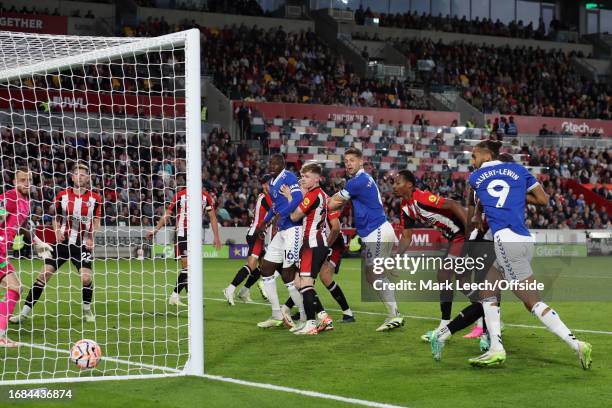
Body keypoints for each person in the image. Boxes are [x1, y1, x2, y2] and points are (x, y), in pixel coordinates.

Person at [453, 140, 591, 368]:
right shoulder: (519, 170)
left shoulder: (475, 178)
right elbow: (543, 200)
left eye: (475, 157)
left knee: (531, 302)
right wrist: (516, 196)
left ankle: (577, 345)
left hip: (506, 241)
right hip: (524, 239)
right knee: (488, 289)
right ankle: (496, 348)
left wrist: (478, 217)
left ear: (486, 157)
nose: (473, 162)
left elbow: (477, 213)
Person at [13, 163, 102, 324]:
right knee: (44, 274)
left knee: (86, 279)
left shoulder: (95, 198)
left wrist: (91, 237)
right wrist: (57, 231)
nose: (80, 177)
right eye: (77, 174)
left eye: (83, 174)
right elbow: (55, 217)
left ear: (88, 178)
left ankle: (87, 309)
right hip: (61, 244)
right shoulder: (62, 195)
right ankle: (24, 313)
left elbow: (96, 222)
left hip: (81, 244)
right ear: (72, 177)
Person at [328, 147, 404, 331]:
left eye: (352, 160)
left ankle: (395, 315)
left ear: (361, 162)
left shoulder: (357, 182)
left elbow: (332, 203)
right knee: (373, 275)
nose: (348, 164)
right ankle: (394, 313)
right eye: (346, 161)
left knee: (374, 274)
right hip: (377, 230)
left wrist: (317, 202)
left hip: (376, 230)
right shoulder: (363, 179)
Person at [391, 170, 468, 342]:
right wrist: (395, 257)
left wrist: (471, 232)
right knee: (463, 283)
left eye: (397, 183)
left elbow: (454, 205)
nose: (394, 186)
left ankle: (446, 325)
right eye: (393, 183)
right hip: (454, 238)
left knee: (443, 273)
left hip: (462, 235)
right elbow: (406, 236)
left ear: (409, 184)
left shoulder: (422, 198)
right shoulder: (405, 208)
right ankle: (486, 318)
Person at [145, 177, 222, 306]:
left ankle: (188, 298)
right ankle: (176, 296)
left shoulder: (205, 197)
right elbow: (167, 213)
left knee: (189, 269)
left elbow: (212, 216)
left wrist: (216, 236)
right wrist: (156, 230)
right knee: (188, 267)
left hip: (196, 236)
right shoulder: (180, 195)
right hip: (183, 233)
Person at [0, 168, 51, 346]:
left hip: (2, 252)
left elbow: (22, 225)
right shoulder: (10, 197)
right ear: (14, 182)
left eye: (29, 180)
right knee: (15, 288)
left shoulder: (26, 201)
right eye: (22, 180)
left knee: (16, 288)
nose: (27, 183)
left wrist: (37, 242)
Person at [280, 163, 332, 335]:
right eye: (302, 176)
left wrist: (289, 198)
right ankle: (323, 317)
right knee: (300, 282)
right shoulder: (323, 195)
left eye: (307, 176)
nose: (303, 179)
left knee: (305, 284)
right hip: (319, 242)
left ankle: (310, 323)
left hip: (311, 243)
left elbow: (294, 215)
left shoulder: (313, 195)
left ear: (317, 178)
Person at [254, 155, 305, 329]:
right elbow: (275, 206)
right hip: (282, 230)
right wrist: (265, 222)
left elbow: (297, 199)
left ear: (282, 164)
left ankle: (305, 317)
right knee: (266, 269)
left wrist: (278, 215)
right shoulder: (273, 182)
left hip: (293, 229)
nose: (272, 166)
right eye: (271, 163)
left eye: (276, 163)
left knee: (288, 275)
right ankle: (276, 314)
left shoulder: (289, 177)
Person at [223, 175, 272, 305]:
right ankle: (230, 289)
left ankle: (244, 291)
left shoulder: (265, 197)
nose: (272, 185)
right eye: (269, 183)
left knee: (263, 269)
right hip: (256, 234)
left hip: (258, 235)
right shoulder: (266, 198)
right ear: (264, 185)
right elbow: (279, 211)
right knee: (251, 265)